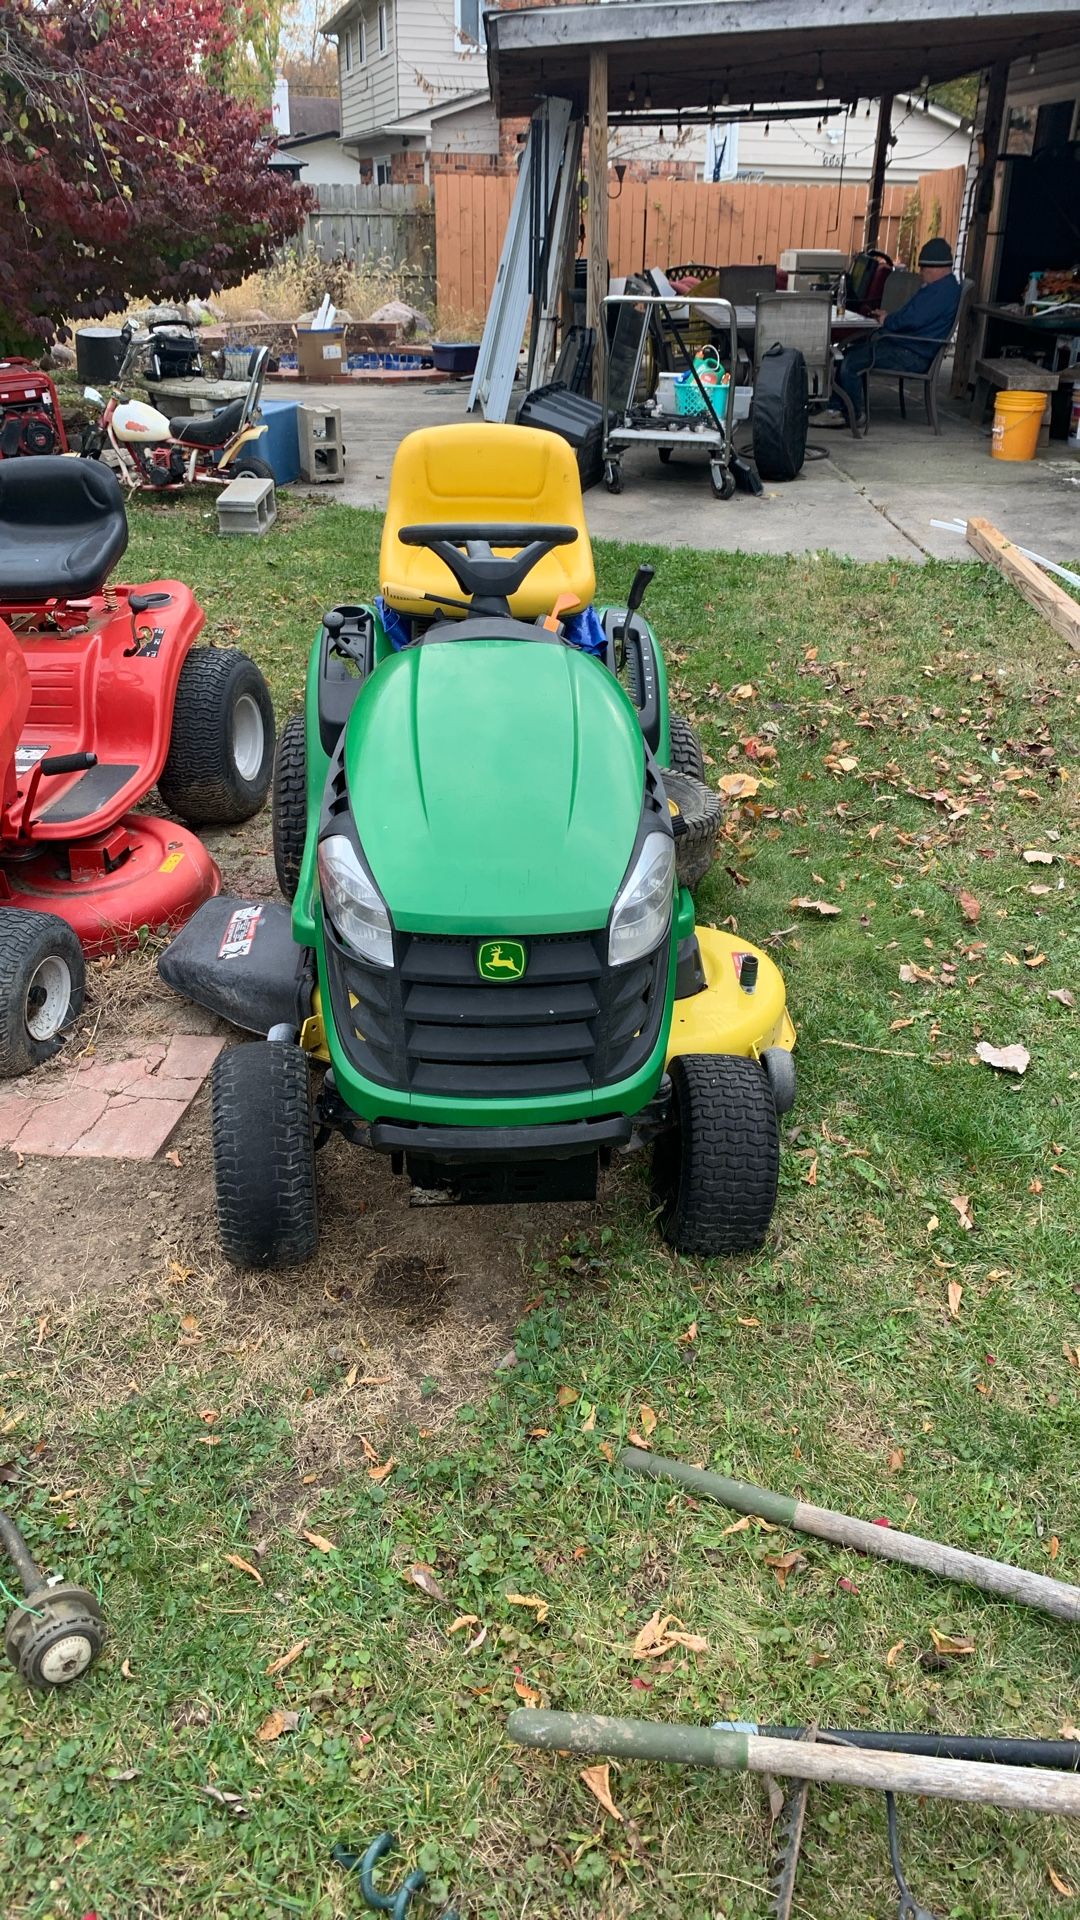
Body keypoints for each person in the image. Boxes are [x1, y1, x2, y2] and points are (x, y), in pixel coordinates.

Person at [819, 237, 962, 428]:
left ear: (936, 269)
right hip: (909, 346)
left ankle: (852, 414)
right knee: (849, 353)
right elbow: (913, 316)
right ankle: (836, 408)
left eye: (924, 270)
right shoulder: (943, 288)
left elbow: (913, 320)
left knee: (851, 362)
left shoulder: (940, 292)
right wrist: (890, 317)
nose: (921, 274)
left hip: (912, 353)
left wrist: (888, 321)